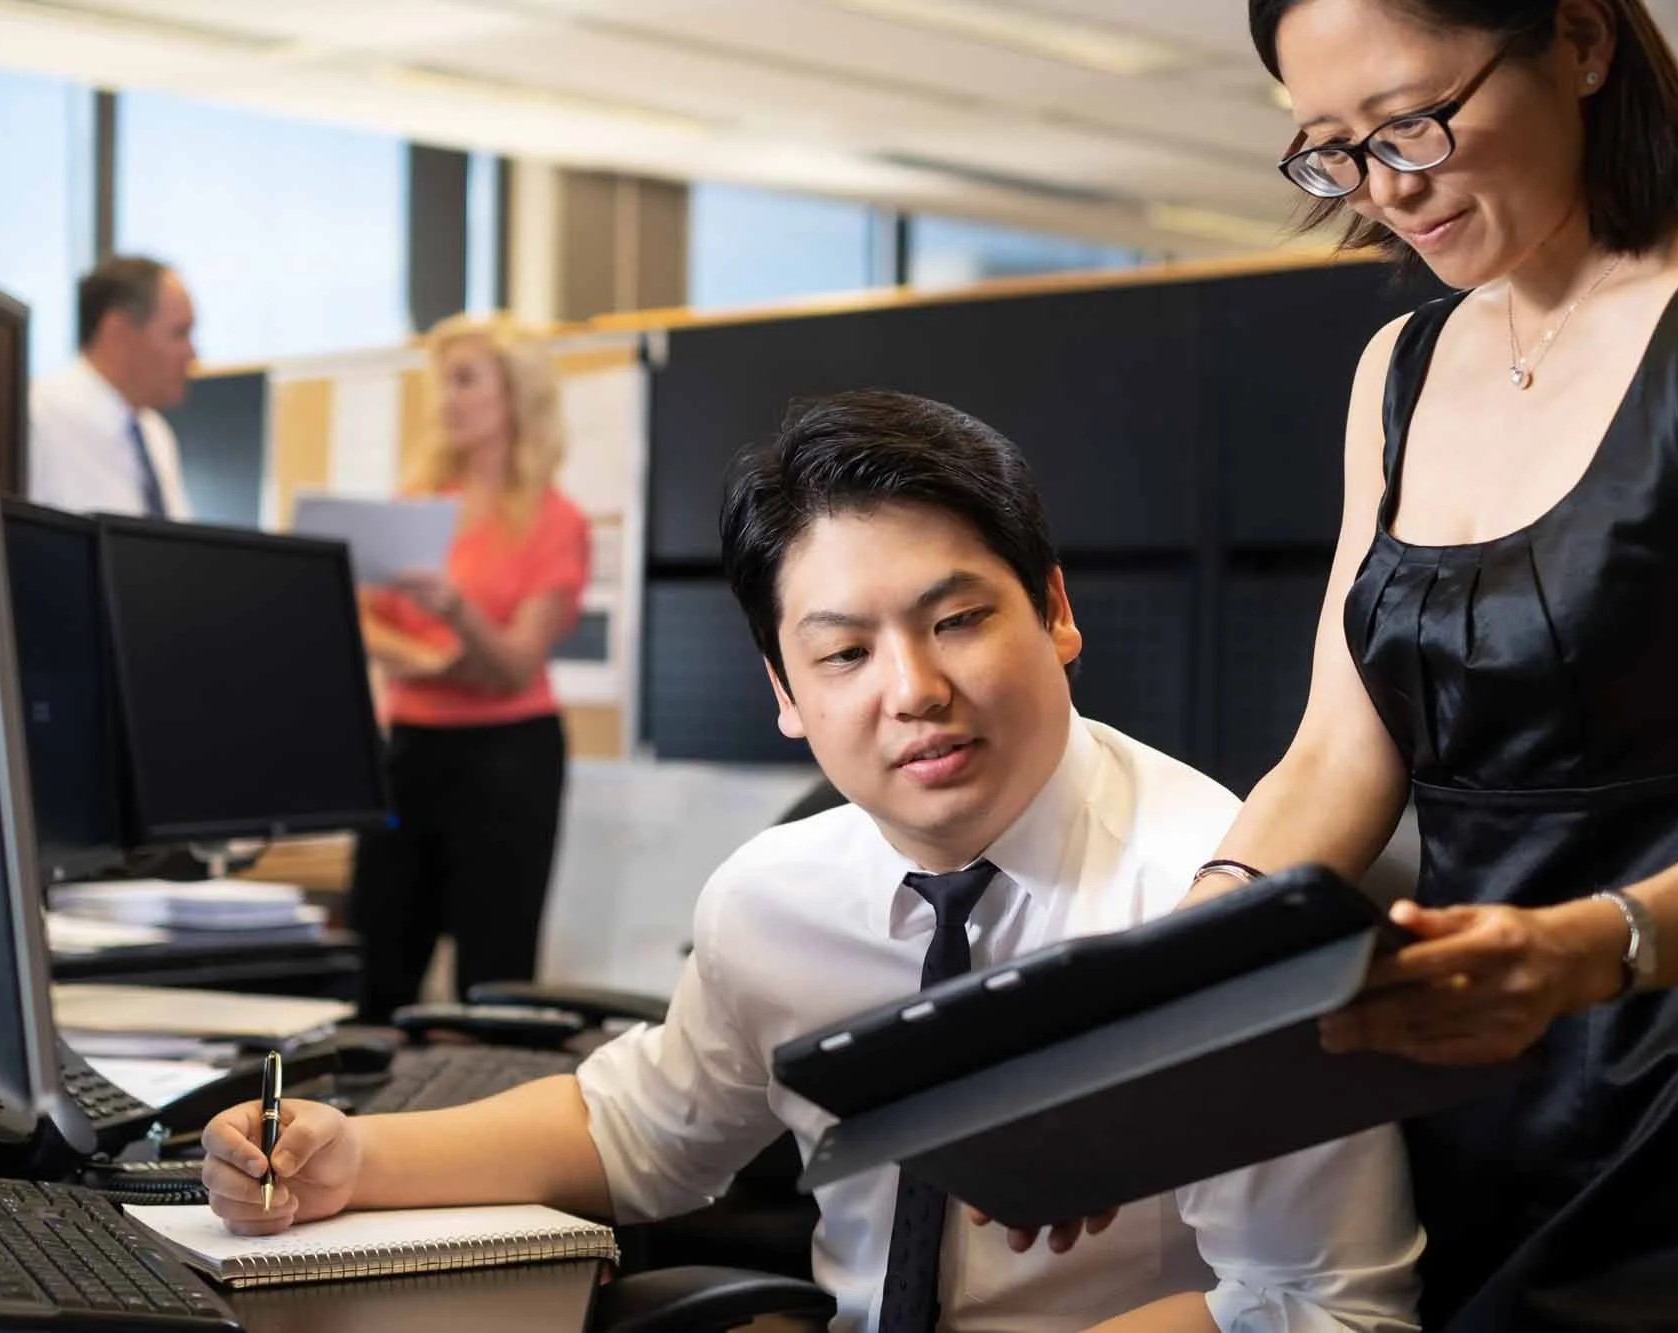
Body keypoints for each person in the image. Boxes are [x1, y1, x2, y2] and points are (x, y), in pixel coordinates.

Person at [204, 391, 1424, 1333]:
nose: (914, 692)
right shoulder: (772, 896)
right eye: (842, 653)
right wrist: (350, 1161)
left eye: (956, 620)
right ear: (784, 693)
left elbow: (1318, 1305)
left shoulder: (1212, 890)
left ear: (1052, 609)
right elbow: (640, 1127)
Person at [1108, 1, 1678, 1327]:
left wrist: (1574, 952)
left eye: (1416, 121)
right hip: (1465, 1059)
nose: (1388, 188)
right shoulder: (1402, 366)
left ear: (1583, 44)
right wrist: (1155, 1000)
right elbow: (1336, 754)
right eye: (1336, 150)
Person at [348, 316, 590, 1020]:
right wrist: (434, 659)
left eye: (465, 379)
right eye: (442, 382)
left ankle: (486, 1123)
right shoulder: (415, 506)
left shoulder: (555, 521)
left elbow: (514, 666)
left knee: (494, 976)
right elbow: (358, 614)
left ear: (516, 394)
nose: (447, 399)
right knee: (377, 964)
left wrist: (455, 613)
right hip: (407, 750)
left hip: (508, 758)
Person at [29, 255, 196, 519]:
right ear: (116, 333)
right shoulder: (36, 419)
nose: (192, 354)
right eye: (179, 333)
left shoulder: (156, 435)